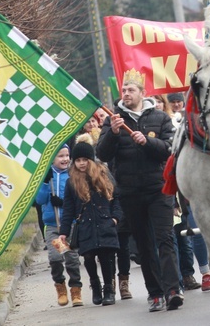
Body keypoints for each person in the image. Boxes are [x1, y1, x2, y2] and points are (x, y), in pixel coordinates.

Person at [97, 69, 182, 312]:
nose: (125, 94)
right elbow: (102, 154)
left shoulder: (160, 117)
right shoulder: (112, 119)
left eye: (130, 90)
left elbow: (170, 148)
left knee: (165, 238)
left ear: (143, 93)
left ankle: (173, 290)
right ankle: (155, 293)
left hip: (159, 189)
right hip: (130, 191)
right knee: (144, 244)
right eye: (123, 90)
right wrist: (113, 133)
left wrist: (148, 142)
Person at [59, 136, 123, 307]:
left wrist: (115, 218)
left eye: (85, 160)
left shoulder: (103, 175)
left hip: (104, 222)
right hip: (85, 225)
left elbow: (116, 198)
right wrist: (64, 232)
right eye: (78, 160)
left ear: (91, 160)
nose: (81, 163)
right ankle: (95, 285)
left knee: (107, 256)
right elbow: (68, 209)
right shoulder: (72, 182)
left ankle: (109, 288)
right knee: (88, 257)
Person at [35, 144, 83, 307]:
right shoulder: (46, 176)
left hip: (68, 225)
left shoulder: (72, 175)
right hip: (53, 226)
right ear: (52, 159)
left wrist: (63, 204)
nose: (65, 159)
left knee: (71, 259)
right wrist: (46, 183)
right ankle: (60, 285)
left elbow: (78, 198)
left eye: (66, 155)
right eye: (60, 156)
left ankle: (76, 289)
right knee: (55, 258)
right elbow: (39, 201)